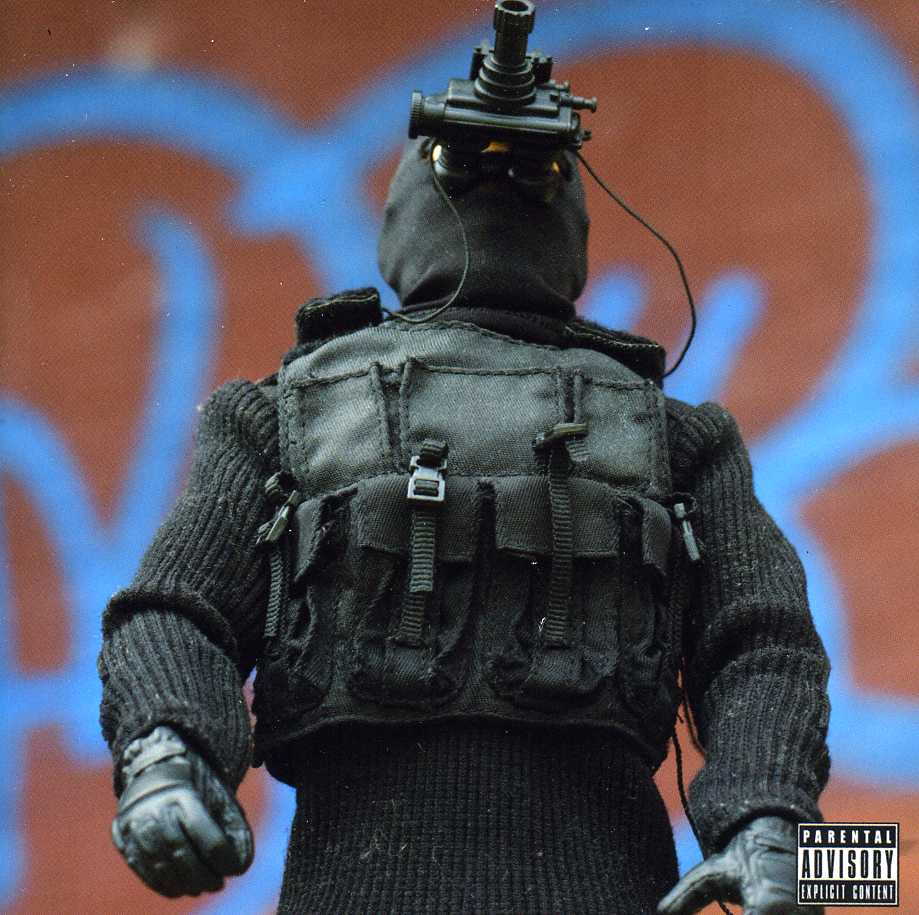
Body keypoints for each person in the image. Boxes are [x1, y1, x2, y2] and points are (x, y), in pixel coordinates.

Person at [98, 136, 831, 914]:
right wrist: (779, 823)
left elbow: (172, 612)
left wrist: (161, 753)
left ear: (400, 231)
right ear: (572, 240)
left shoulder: (282, 417)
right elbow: (769, 645)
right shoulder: (673, 436)